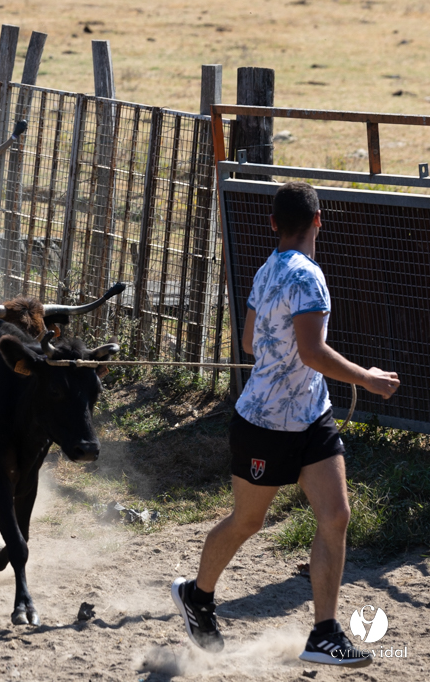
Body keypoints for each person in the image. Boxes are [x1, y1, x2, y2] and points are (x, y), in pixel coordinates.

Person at [171, 181, 399, 668]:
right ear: (319, 220)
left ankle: (324, 633)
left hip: (311, 418)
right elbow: (314, 353)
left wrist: (283, 351)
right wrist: (368, 378)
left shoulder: (266, 270)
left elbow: (251, 342)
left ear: (273, 224)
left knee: (335, 516)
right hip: (266, 424)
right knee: (247, 521)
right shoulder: (307, 279)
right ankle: (196, 594)